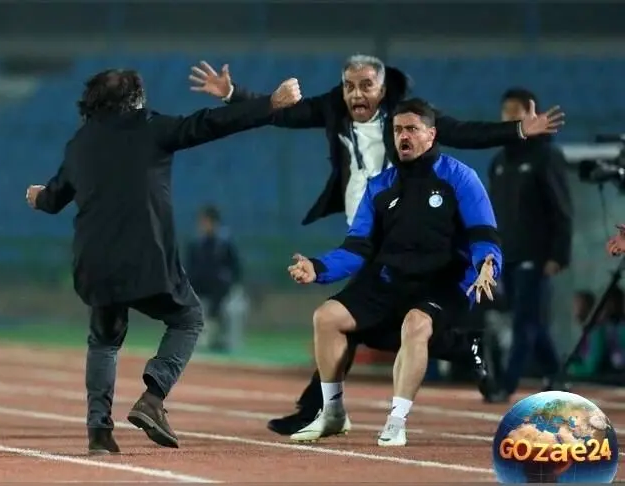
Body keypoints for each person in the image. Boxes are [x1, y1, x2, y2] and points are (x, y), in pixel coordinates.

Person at [189, 55, 564, 435]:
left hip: (416, 233)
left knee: (391, 319)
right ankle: (340, 402)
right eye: (349, 86)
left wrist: (519, 130)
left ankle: (332, 408)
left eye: (366, 85)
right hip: (370, 228)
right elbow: (284, 112)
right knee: (346, 317)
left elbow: (467, 133)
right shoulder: (337, 114)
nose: (357, 94)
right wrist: (234, 94)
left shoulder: (411, 120)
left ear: (383, 89)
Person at [25, 69, 302, 454]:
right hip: (147, 259)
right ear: (135, 99)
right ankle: (153, 397)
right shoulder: (152, 126)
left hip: (95, 262)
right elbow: (211, 123)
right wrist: (269, 104)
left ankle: (99, 432)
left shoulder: (80, 143)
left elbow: (54, 198)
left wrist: (37, 197)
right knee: (189, 318)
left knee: (103, 341)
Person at [286, 98, 502, 446]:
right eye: (398, 129)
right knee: (326, 317)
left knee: (416, 324)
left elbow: (483, 235)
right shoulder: (380, 186)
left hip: (444, 282)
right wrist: (318, 267)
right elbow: (357, 248)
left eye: (412, 129)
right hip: (390, 280)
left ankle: (396, 420)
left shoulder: (460, 178)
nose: (403, 136)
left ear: (431, 135)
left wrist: (487, 263)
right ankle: (333, 413)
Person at [484, 87, 573, 403]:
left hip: (536, 256)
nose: (508, 118)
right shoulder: (499, 162)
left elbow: (562, 209)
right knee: (530, 321)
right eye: (505, 113)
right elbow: (491, 212)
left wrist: (558, 254)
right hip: (506, 254)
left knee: (524, 321)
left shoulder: (546, 156)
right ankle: (555, 373)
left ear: (531, 114)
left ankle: (505, 385)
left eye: (515, 113)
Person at [186, 205, 244, 353]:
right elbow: (189, 268)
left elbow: (235, 269)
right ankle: (192, 332)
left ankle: (213, 328)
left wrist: (234, 285)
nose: (204, 226)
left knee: (220, 285)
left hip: (218, 289)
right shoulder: (195, 244)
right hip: (199, 286)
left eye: (207, 222)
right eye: (202, 222)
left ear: (215, 223)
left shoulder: (224, 244)